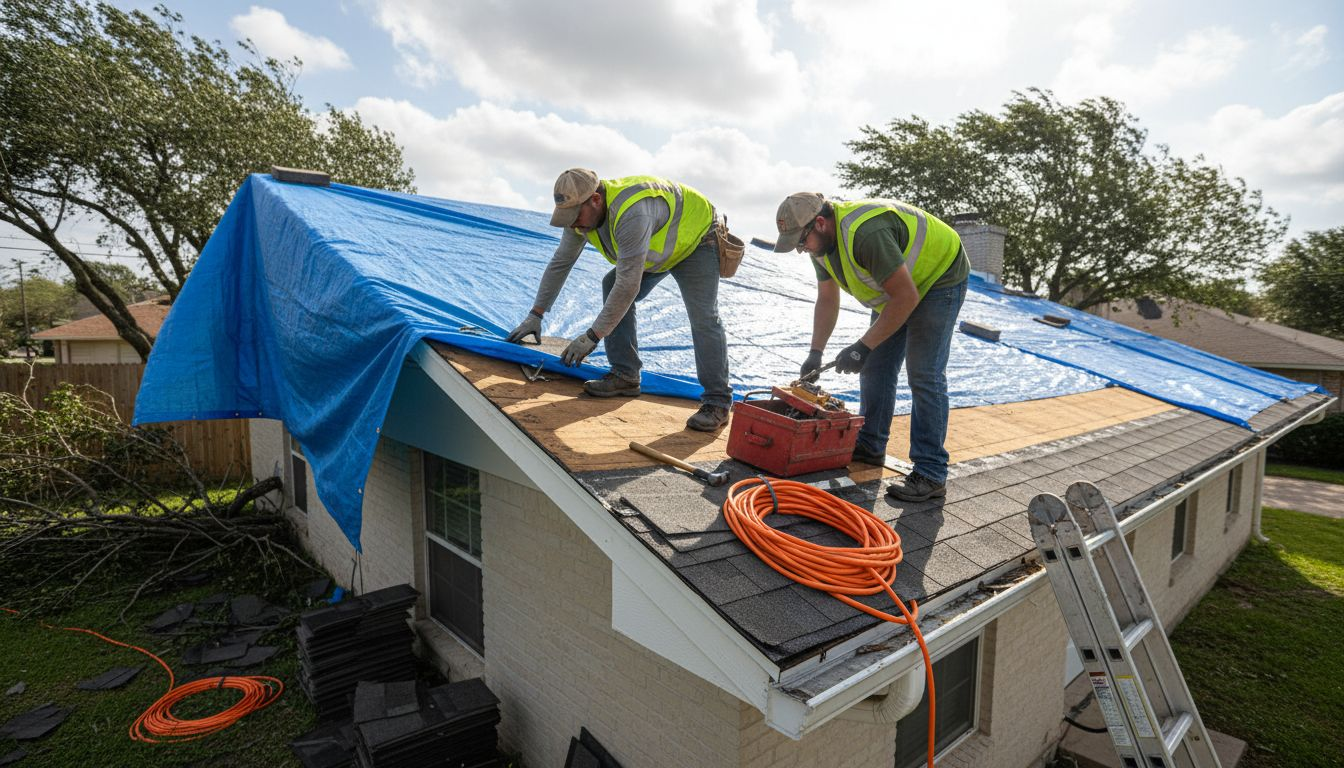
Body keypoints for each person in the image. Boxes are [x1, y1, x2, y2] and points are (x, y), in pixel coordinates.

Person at [773, 192, 969, 501]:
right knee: (876, 367)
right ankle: (871, 445)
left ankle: (931, 472)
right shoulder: (820, 246)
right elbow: (827, 299)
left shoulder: (865, 234)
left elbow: (906, 297)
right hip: (898, 287)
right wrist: (816, 353)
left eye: (801, 241)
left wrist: (862, 346)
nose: (801, 250)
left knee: (924, 372)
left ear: (820, 223)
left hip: (940, 275)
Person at [505, 168, 733, 432]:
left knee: (703, 316)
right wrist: (536, 313)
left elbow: (628, 285)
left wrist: (591, 336)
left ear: (595, 200)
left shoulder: (632, 212)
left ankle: (717, 402)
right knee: (610, 282)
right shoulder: (577, 217)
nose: (574, 224)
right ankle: (626, 375)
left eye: (576, 216)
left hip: (697, 238)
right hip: (659, 244)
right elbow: (561, 262)